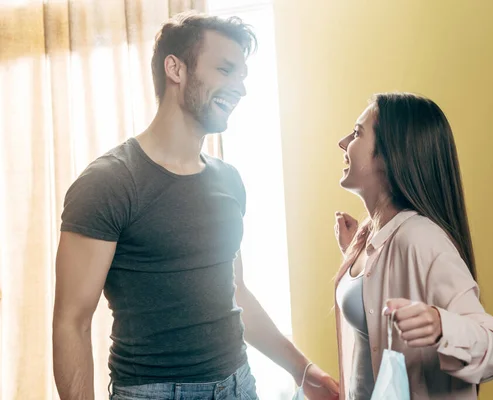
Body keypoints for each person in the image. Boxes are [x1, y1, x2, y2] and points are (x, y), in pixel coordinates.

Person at [52, 11, 339, 400]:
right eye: (225, 69)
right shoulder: (108, 182)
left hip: (239, 384)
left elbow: (234, 292)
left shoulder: (229, 181)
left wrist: (302, 370)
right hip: (153, 393)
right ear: (176, 69)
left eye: (242, 76)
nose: (240, 88)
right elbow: (72, 322)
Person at [333, 92, 493, 399]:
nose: (343, 142)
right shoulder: (372, 238)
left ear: (390, 156)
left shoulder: (420, 239)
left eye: (357, 133)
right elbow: (372, 310)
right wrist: (353, 257)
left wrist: (442, 326)